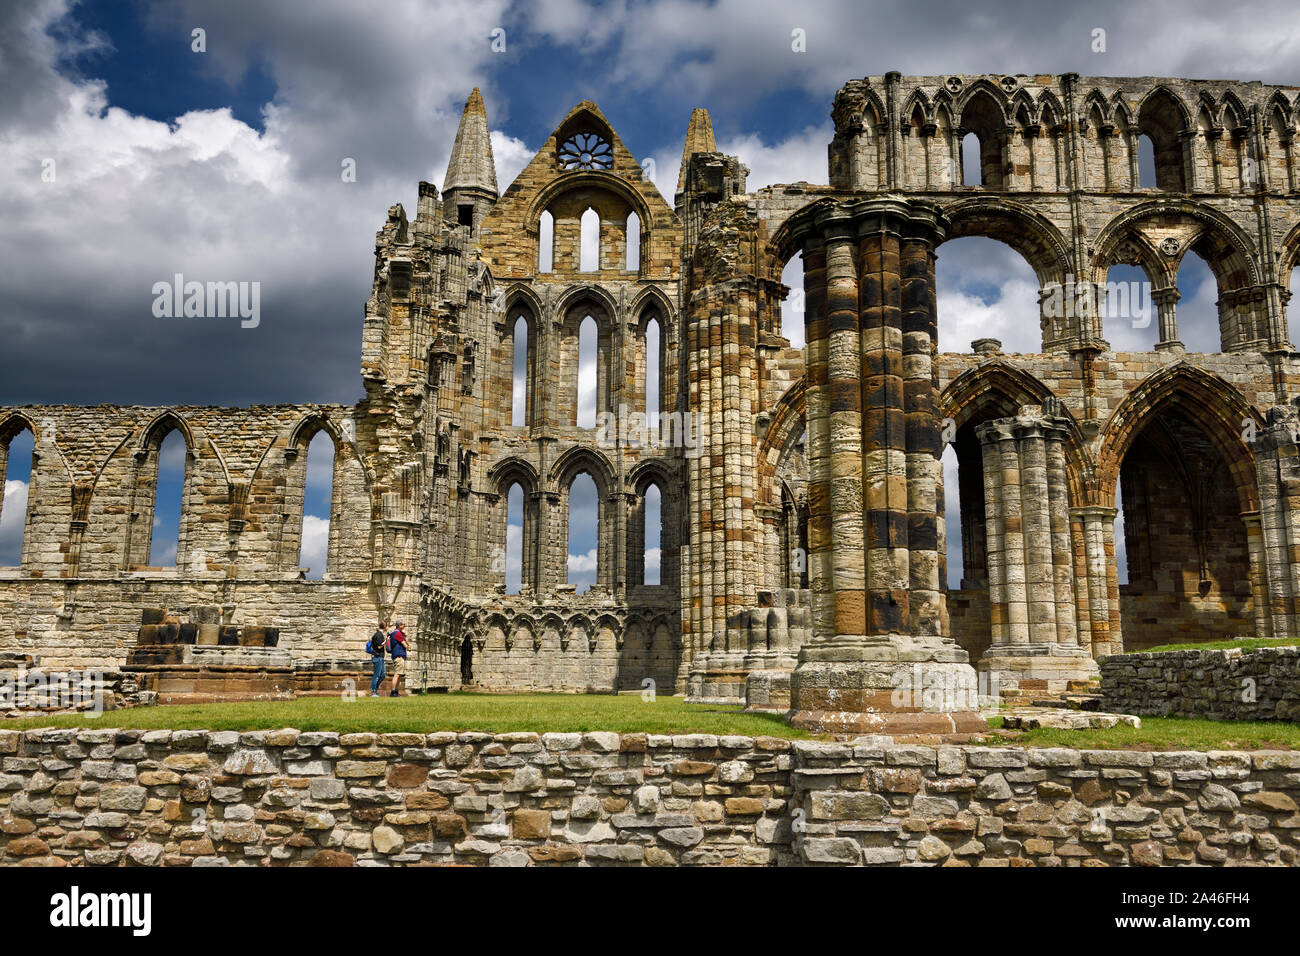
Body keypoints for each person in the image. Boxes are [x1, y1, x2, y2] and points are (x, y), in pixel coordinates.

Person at [388, 620, 408, 697]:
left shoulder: (398, 633)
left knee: (399, 674)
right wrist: (405, 638)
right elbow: (406, 645)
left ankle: (396, 691)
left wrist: (405, 635)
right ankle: (393, 691)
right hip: (398, 655)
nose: (404, 626)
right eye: (403, 624)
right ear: (399, 625)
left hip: (399, 655)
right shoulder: (397, 633)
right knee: (397, 674)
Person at [368, 621, 388, 696]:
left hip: (380, 657)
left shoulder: (379, 634)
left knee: (383, 675)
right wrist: (386, 640)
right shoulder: (379, 635)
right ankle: (372, 692)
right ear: (385, 626)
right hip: (377, 657)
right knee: (376, 675)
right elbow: (379, 646)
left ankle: (375, 690)